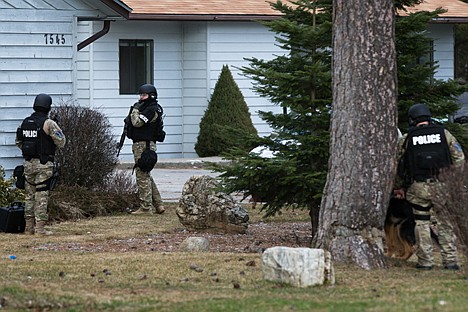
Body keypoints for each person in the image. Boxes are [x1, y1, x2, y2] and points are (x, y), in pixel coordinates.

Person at [394, 103, 465, 270]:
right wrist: (455, 182)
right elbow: (459, 158)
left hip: (418, 187)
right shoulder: (444, 134)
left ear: (412, 119)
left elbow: (397, 164)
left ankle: (425, 262)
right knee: (446, 223)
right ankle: (451, 261)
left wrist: (399, 187)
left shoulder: (407, 138)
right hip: (443, 187)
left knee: (422, 223)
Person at [15, 93, 66, 235]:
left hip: (28, 164)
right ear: (48, 107)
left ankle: (28, 228)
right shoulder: (49, 123)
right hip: (44, 164)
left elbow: (19, 142)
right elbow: (61, 142)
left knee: (29, 196)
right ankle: (40, 229)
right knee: (41, 196)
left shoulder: (25, 122)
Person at [126, 83, 165, 215]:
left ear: (151, 95)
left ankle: (146, 207)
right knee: (146, 174)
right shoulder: (148, 107)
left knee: (142, 175)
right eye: (141, 95)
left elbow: (137, 123)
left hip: (144, 145)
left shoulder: (150, 109)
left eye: (144, 95)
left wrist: (135, 111)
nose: (141, 97)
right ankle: (158, 204)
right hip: (143, 144)